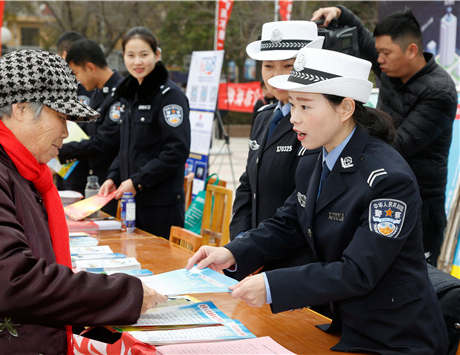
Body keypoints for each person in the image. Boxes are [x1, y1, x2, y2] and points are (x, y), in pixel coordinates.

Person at [187, 48, 448, 354]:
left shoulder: (388, 179)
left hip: (395, 337)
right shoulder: (314, 159)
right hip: (343, 327)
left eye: (306, 107)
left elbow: (358, 272)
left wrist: (272, 286)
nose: (294, 118)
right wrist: (231, 252)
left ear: (346, 108)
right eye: (293, 105)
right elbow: (288, 223)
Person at [0, 49, 167, 354]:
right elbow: (11, 282)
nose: (65, 132)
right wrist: (127, 293)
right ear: (20, 109)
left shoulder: (7, 167)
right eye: (61, 117)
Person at [311, 7, 457, 267]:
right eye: (378, 52)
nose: (378, 59)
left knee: (412, 278)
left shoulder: (440, 91)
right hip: (375, 191)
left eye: (386, 53)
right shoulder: (390, 69)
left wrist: (347, 124)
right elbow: (361, 35)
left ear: (411, 51)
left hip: (421, 205)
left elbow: (399, 144)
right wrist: (339, 12)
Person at [231, 21, 322, 243]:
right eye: (268, 66)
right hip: (254, 247)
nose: (276, 75)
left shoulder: (318, 122)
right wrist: (241, 238)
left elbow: (302, 198)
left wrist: (253, 247)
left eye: (288, 66)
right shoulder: (264, 116)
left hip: (292, 252)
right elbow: (247, 183)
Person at [99, 27, 190, 238]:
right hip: (133, 202)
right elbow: (126, 146)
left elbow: (176, 150)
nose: (137, 62)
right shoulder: (130, 95)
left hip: (161, 205)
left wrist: (138, 180)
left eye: (144, 55)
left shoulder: (170, 96)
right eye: (130, 55)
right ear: (123, 57)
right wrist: (114, 176)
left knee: (159, 266)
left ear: (157, 55)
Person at [58, 39, 124, 215]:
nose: (76, 80)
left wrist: (64, 150)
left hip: (111, 183)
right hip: (93, 181)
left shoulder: (120, 94)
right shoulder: (97, 92)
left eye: (76, 73)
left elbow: (105, 141)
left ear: (90, 67)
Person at [54, 31, 95, 193]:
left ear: (65, 55)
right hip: (62, 166)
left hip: (84, 169)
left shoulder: (89, 87)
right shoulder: (60, 88)